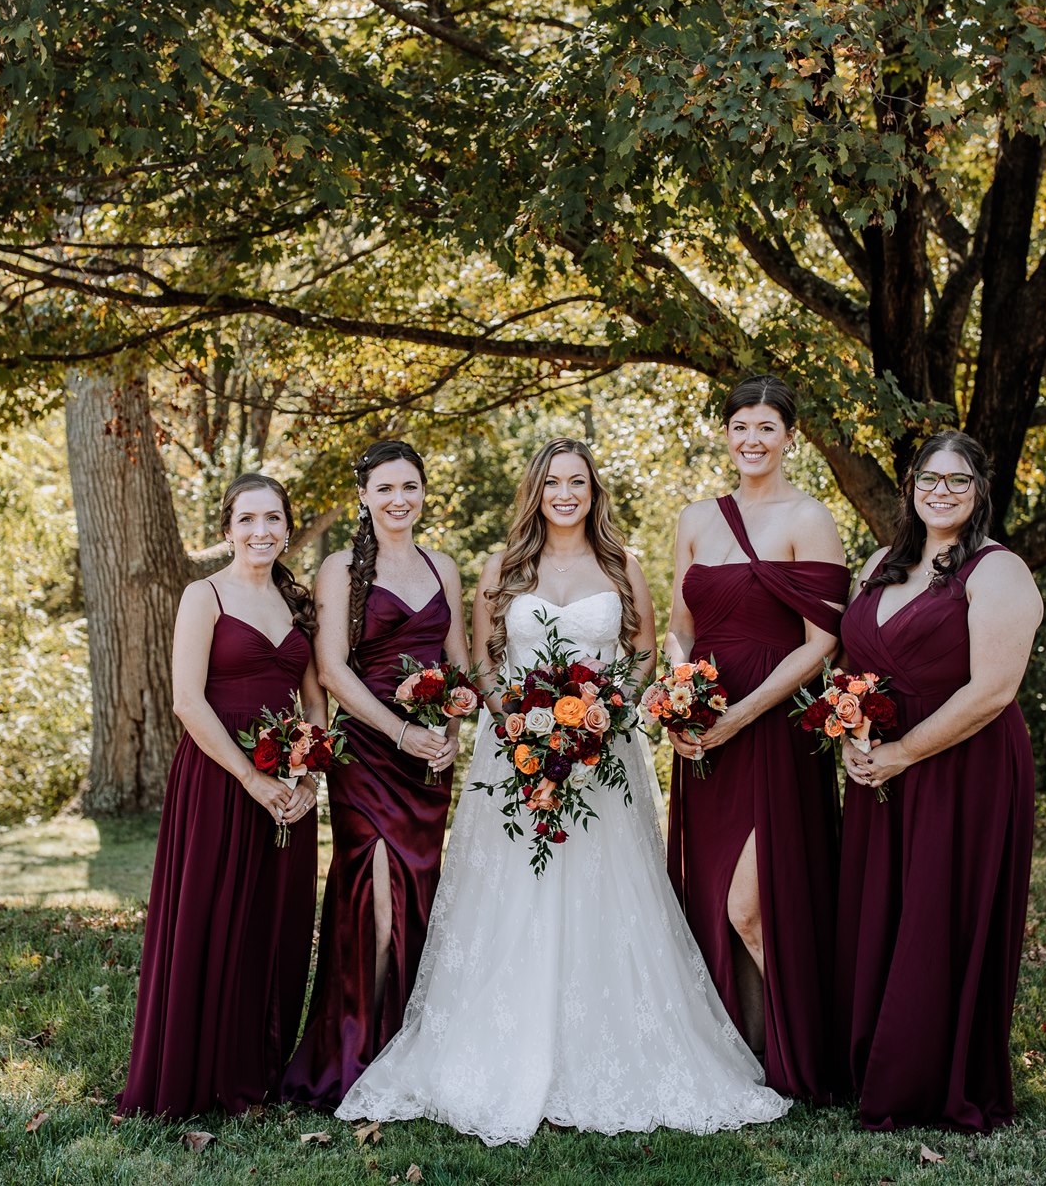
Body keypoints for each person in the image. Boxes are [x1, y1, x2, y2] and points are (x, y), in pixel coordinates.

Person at [337, 438, 787, 1144]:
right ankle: (498, 1051)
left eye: (578, 481)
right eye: (554, 482)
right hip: (513, 761)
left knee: (609, 896)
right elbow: (482, 661)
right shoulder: (503, 567)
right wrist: (514, 722)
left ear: (593, 490)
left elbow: (643, 651)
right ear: (536, 492)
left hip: (604, 763)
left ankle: (609, 1049)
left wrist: (610, 715)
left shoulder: (622, 564)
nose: (566, 493)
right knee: (513, 900)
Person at [837, 431, 1042, 1132]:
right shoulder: (879, 563)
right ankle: (877, 1066)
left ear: (981, 489)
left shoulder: (997, 570)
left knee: (938, 914)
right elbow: (854, 670)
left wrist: (904, 752)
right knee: (883, 911)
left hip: (964, 766)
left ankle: (934, 1081)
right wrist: (854, 741)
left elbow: (993, 690)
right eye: (930, 478)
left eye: (959, 480)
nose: (942, 491)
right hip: (880, 769)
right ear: (910, 486)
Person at [663, 375, 851, 1101]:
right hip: (704, 733)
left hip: (773, 728)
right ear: (726, 433)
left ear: (789, 437)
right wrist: (683, 690)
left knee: (755, 901)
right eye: (740, 425)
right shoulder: (694, 519)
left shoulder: (811, 517)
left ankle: (810, 1051)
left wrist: (741, 713)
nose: (752, 439)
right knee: (713, 898)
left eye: (767, 427)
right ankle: (743, 1057)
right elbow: (683, 626)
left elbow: (822, 642)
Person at [120, 473, 324, 1118]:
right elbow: (187, 700)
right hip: (218, 779)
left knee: (274, 925)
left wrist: (308, 778)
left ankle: (255, 1076)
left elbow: (314, 697)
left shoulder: (298, 603)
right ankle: (196, 1075)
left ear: (288, 529)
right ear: (227, 530)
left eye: (272, 520)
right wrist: (251, 778)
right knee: (212, 920)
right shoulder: (202, 595)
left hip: (288, 787)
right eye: (248, 520)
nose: (261, 531)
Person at [283, 442, 469, 1107]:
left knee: (421, 892)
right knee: (378, 900)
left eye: (410, 486)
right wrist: (400, 731)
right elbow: (333, 671)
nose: (400, 499)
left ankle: (411, 1051)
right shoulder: (340, 568)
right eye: (386, 488)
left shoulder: (441, 565)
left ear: (423, 491)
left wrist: (447, 734)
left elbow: (458, 667)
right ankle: (358, 1055)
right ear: (363, 495)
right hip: (368, 753)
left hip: (427, 765)